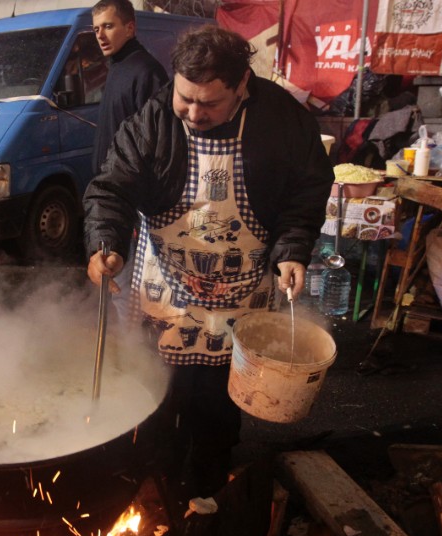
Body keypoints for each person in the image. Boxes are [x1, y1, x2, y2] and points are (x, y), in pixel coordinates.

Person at [83, 26, 333, 511]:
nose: (194, 115)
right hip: (165, 296)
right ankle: (153, 504)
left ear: (242, 85)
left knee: (218, 413)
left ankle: (210, 503)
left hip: (240, 300)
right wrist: (105, 242)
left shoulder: (283, 121)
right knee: (154, 405)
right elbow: (110, 189)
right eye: (185, 99)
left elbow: (306, 191)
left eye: (209, 104)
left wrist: (293, 249)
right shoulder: (155, 118)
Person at [91, 0, 168, 174]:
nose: (100, 35)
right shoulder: (117, 66)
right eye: (96, 29)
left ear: (130, 28)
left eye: (108, 26)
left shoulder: (146, 71)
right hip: (111, 186)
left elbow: (156, 144)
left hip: (129, 191)